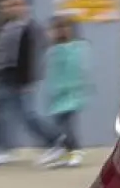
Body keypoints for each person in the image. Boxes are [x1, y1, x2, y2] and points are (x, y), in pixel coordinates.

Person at [0, 0, 57, 168]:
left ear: (26, 6)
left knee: (28, 115)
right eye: (7, 6)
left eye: (17, 4)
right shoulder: (2, 27)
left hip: (21, 79)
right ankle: (0, 151)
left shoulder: (33, 29)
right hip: (3, 76)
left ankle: (55, 143)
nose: (12, 8)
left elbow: (36, 56)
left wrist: (29, 80)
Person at [39, 14, 92, 169]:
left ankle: (76, 150)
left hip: (71, 94)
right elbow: (52, 71)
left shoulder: (77, 47)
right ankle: (65, 150)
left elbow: (77, 70)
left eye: (64, 28)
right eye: (56, 29)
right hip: (57, 95)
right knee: (60, 124)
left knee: (66, 124)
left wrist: (71, 87)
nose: (60, 32)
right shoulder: (54, 49)